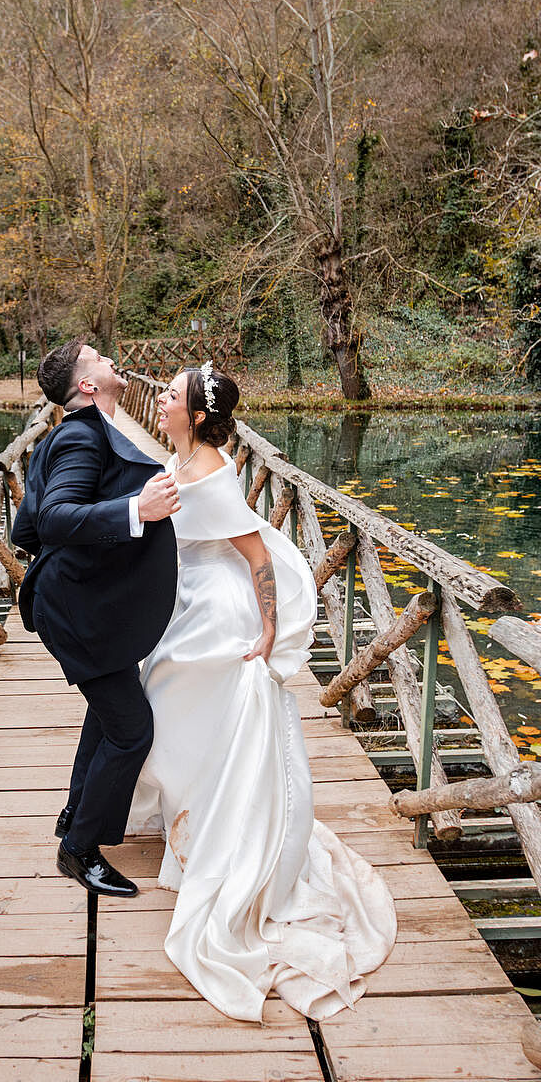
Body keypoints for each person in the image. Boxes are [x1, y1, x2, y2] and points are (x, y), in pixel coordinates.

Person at [125, 362, 396, 1021]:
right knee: (176, 722)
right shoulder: (181, 454)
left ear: (193, 416)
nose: (157, 399)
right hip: (186, 602)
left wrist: (269, 627)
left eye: (168, 395)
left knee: (198, 722)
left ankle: (222, 836)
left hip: (220, 618)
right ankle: (193, 824)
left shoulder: (212, 472)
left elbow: (257, 556)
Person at [10, 339, 183, 897]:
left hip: (85, 604)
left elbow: (27, 529)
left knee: (107, 718)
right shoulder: (82, 436)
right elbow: (56, 518)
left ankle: (73, 816)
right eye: (101, 360)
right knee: (132, 731)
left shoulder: (78, 433)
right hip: (76, 612)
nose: (113, 362)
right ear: (87, 385)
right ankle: (79, 849)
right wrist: (138, 509)